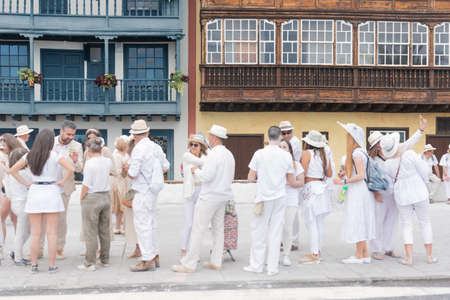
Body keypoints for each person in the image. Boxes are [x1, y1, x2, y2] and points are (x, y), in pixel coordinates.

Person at [7, 129, 74, 273]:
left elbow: (12, 170)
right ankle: (51, 265)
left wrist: (25, 183)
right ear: (50, 141)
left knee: (36, 233)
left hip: (35, 191)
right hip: (51, 191)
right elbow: (71, 168)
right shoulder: (55, 155)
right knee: (52, 232)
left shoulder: (29, 155)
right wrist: (62, 181)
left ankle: (34, 265)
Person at [172, 124, 235, 273]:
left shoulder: (214, 154)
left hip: (210, 196)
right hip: (223, 196)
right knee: (218, 230)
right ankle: (216, 261)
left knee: (197, 229)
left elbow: (207, 176)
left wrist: (195, 172)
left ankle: (189, 263)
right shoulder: (229, 154)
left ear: (213, 137)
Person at [243, 126, 302, 276]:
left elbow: (250, 177)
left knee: (259, 231)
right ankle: (272, 267)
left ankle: (256, 265)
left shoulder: (259, 153)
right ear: (280, 137)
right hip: (280, 197)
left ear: (268, 137)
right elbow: (290, 179)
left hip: (263, 197)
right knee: (276, 233)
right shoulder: (286, 156)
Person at [367, 116, 426, 260]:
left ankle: (389, 248)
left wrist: (420, 130)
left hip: (395, 192)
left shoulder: (394, 151)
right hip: (380, 194)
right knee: (378, 220)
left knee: (392, 221)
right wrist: (375, 193)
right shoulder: (372, 160)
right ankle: (376, 249)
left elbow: (409, 143)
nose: (382, 143)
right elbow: (369, 178)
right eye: (380, 142)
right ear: (377, 145)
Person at [380, 133, 437, 265]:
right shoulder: (410, 154)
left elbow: (389, 182)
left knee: (406, 224)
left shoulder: (387, 164)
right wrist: (425, 183)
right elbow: (424, 171)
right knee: (425, 222)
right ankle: (429, 256)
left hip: (402, 193)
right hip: (418, 190)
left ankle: (409, 258)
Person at [126, 120, 165, 272]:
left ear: (134, 135)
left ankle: (147, 258)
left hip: (142, 190)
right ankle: (154, 255)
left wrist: (127, 168)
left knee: (142, 225)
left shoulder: (138, 149)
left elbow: (132, 173)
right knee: (151, 223)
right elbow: (166, 166)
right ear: (147, 133)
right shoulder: (156, 147)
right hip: (153, 190)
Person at [335, 122, 375, 264]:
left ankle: (359, 255)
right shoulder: (361, 152)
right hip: (359, 190)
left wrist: (344, 181)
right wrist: (345, 174)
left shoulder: (357, 153)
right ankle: (365, 254)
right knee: (360, 220)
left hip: (357, 190)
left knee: (357, 220)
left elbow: (361, 175)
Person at [48, 121, 83, 260]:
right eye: (68, 134)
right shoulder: (50, 142)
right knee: (43, 219)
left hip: (64, 187)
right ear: (61, 131)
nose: (70, 137)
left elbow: (80, 168)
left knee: (61, 220)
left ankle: (59, 248)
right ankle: (38, 248)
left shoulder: (77, 146)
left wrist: (75, 161)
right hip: (47, 185)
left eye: (73, 135)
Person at [78, 138, 113, 272]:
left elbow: (86, 184)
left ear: (88, 149)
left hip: (92, 196)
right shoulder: (108, 161)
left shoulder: (89, 164)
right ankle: (105, 259)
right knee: (104, 230)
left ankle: (90, 262)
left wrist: (82, 198)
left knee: (90, 231)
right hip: (105, 195)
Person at [298, 130, 332, 265]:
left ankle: (314, 253)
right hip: (321, 188)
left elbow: (303, 171)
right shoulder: (324, 155)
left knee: (311, 222)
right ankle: (317, 250)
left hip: (311, 188)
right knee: (319, 223)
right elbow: (329, 173)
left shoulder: (307, 154)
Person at [180, 134, 208, 256]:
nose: (192, 147)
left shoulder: (205, 157)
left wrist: (198, 169)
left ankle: (193, 249)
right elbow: (203, 163)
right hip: (189, 192)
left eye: (195, 145)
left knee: (199, 223)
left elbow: (206, 172)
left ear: (201, 146)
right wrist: (203, 165)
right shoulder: (187, 156)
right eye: (190, 144)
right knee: (189, 223)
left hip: (201, 190)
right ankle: (183, 248)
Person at [279, 138, 304, 267]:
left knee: (288, 228)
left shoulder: (296, 165)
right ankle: (273, 255)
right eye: (280, 147)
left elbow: (301, 182)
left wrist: (291, 182)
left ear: (289, 150)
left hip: (291, 200)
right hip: (276, 199)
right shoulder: (274, 164)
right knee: (276, 228)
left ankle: (286, 255)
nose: (282, 149)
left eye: (285, 147)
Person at [5, 148, 31, 266]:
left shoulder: (10, 174)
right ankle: (18, 258)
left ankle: (16, 252)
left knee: (26, 231)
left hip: (16, 203)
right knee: (22, 232)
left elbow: (8, 191)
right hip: (23, 203)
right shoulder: (24, 173)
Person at [0, 134, 23, 244]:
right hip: (7, 189)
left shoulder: (16, 155)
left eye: (4, 143)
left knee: (12, 220)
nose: (2, 145)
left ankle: (15, 248)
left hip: (11, 191)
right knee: (10, 220)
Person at [111, 136, 130, 235]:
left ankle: (120, 227)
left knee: (121, 206)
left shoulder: (125, 155)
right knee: (121, 205)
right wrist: (125, 169)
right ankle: (120, 227)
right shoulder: (117, 156)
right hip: (119, 182)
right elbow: (118, 172)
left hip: (124, 181)